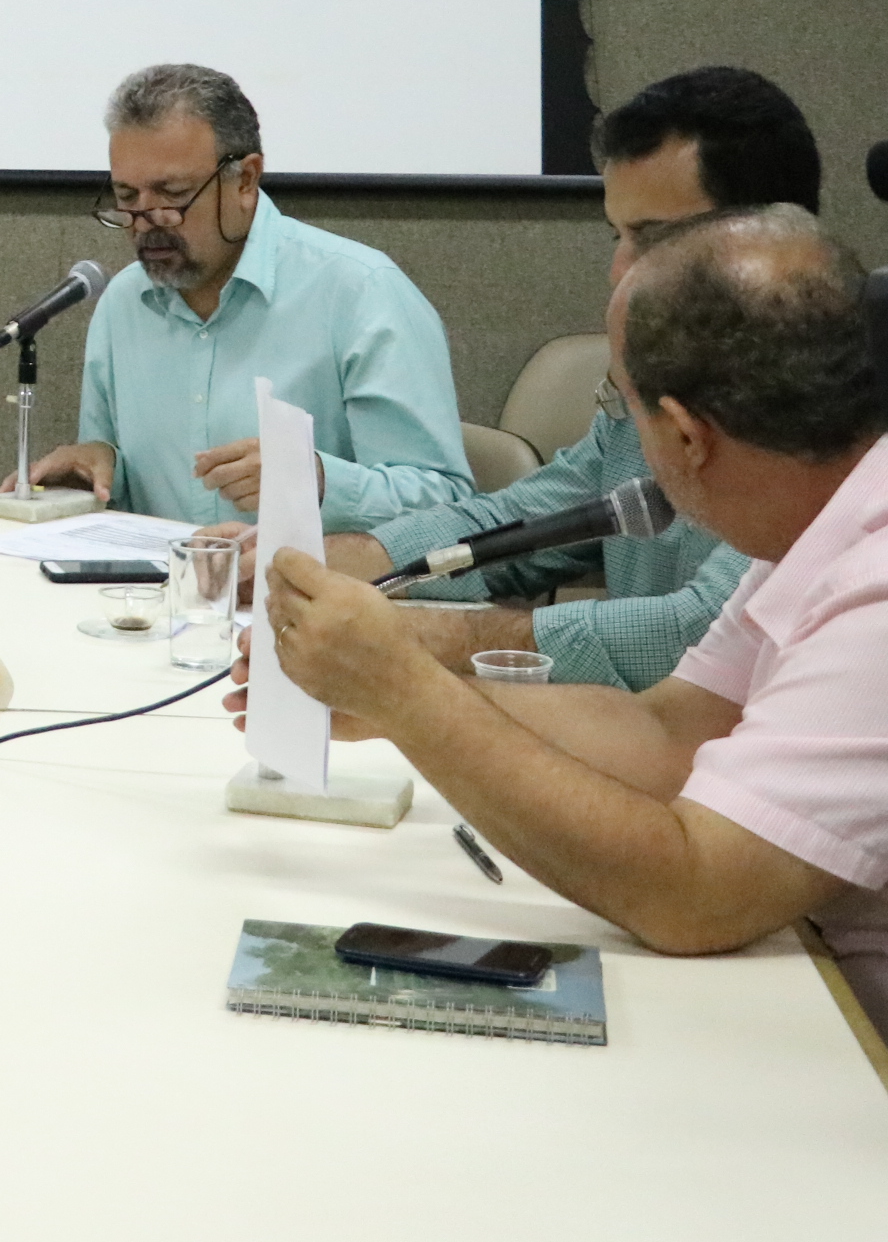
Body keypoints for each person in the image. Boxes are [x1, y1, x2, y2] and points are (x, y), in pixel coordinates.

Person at [243, 207, 888, 1028]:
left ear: (685, 436)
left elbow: (693, 895)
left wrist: (408, 694)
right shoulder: (815, 520)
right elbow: (666, 734)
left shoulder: (874, 588)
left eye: (624, 407)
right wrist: (379, 697)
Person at [323, 67, 819, 687]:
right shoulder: (656, 390)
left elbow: (702, 634)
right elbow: (516, 528)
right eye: (619, 235)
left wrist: (431, 638)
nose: (619, 270)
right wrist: (347, 563)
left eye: (653, 238)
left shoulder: (830, 410)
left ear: (767, 237)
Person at [24, 63, 470, 533]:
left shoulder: (361, 293)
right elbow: (122, 490)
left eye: (172, 194)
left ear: (245, 180)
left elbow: (448, 507)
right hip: (159, 577)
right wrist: (99, 468)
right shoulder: (124, 303)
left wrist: (316, 481)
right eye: (127, 196)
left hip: (315, 579)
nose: (145, 221)